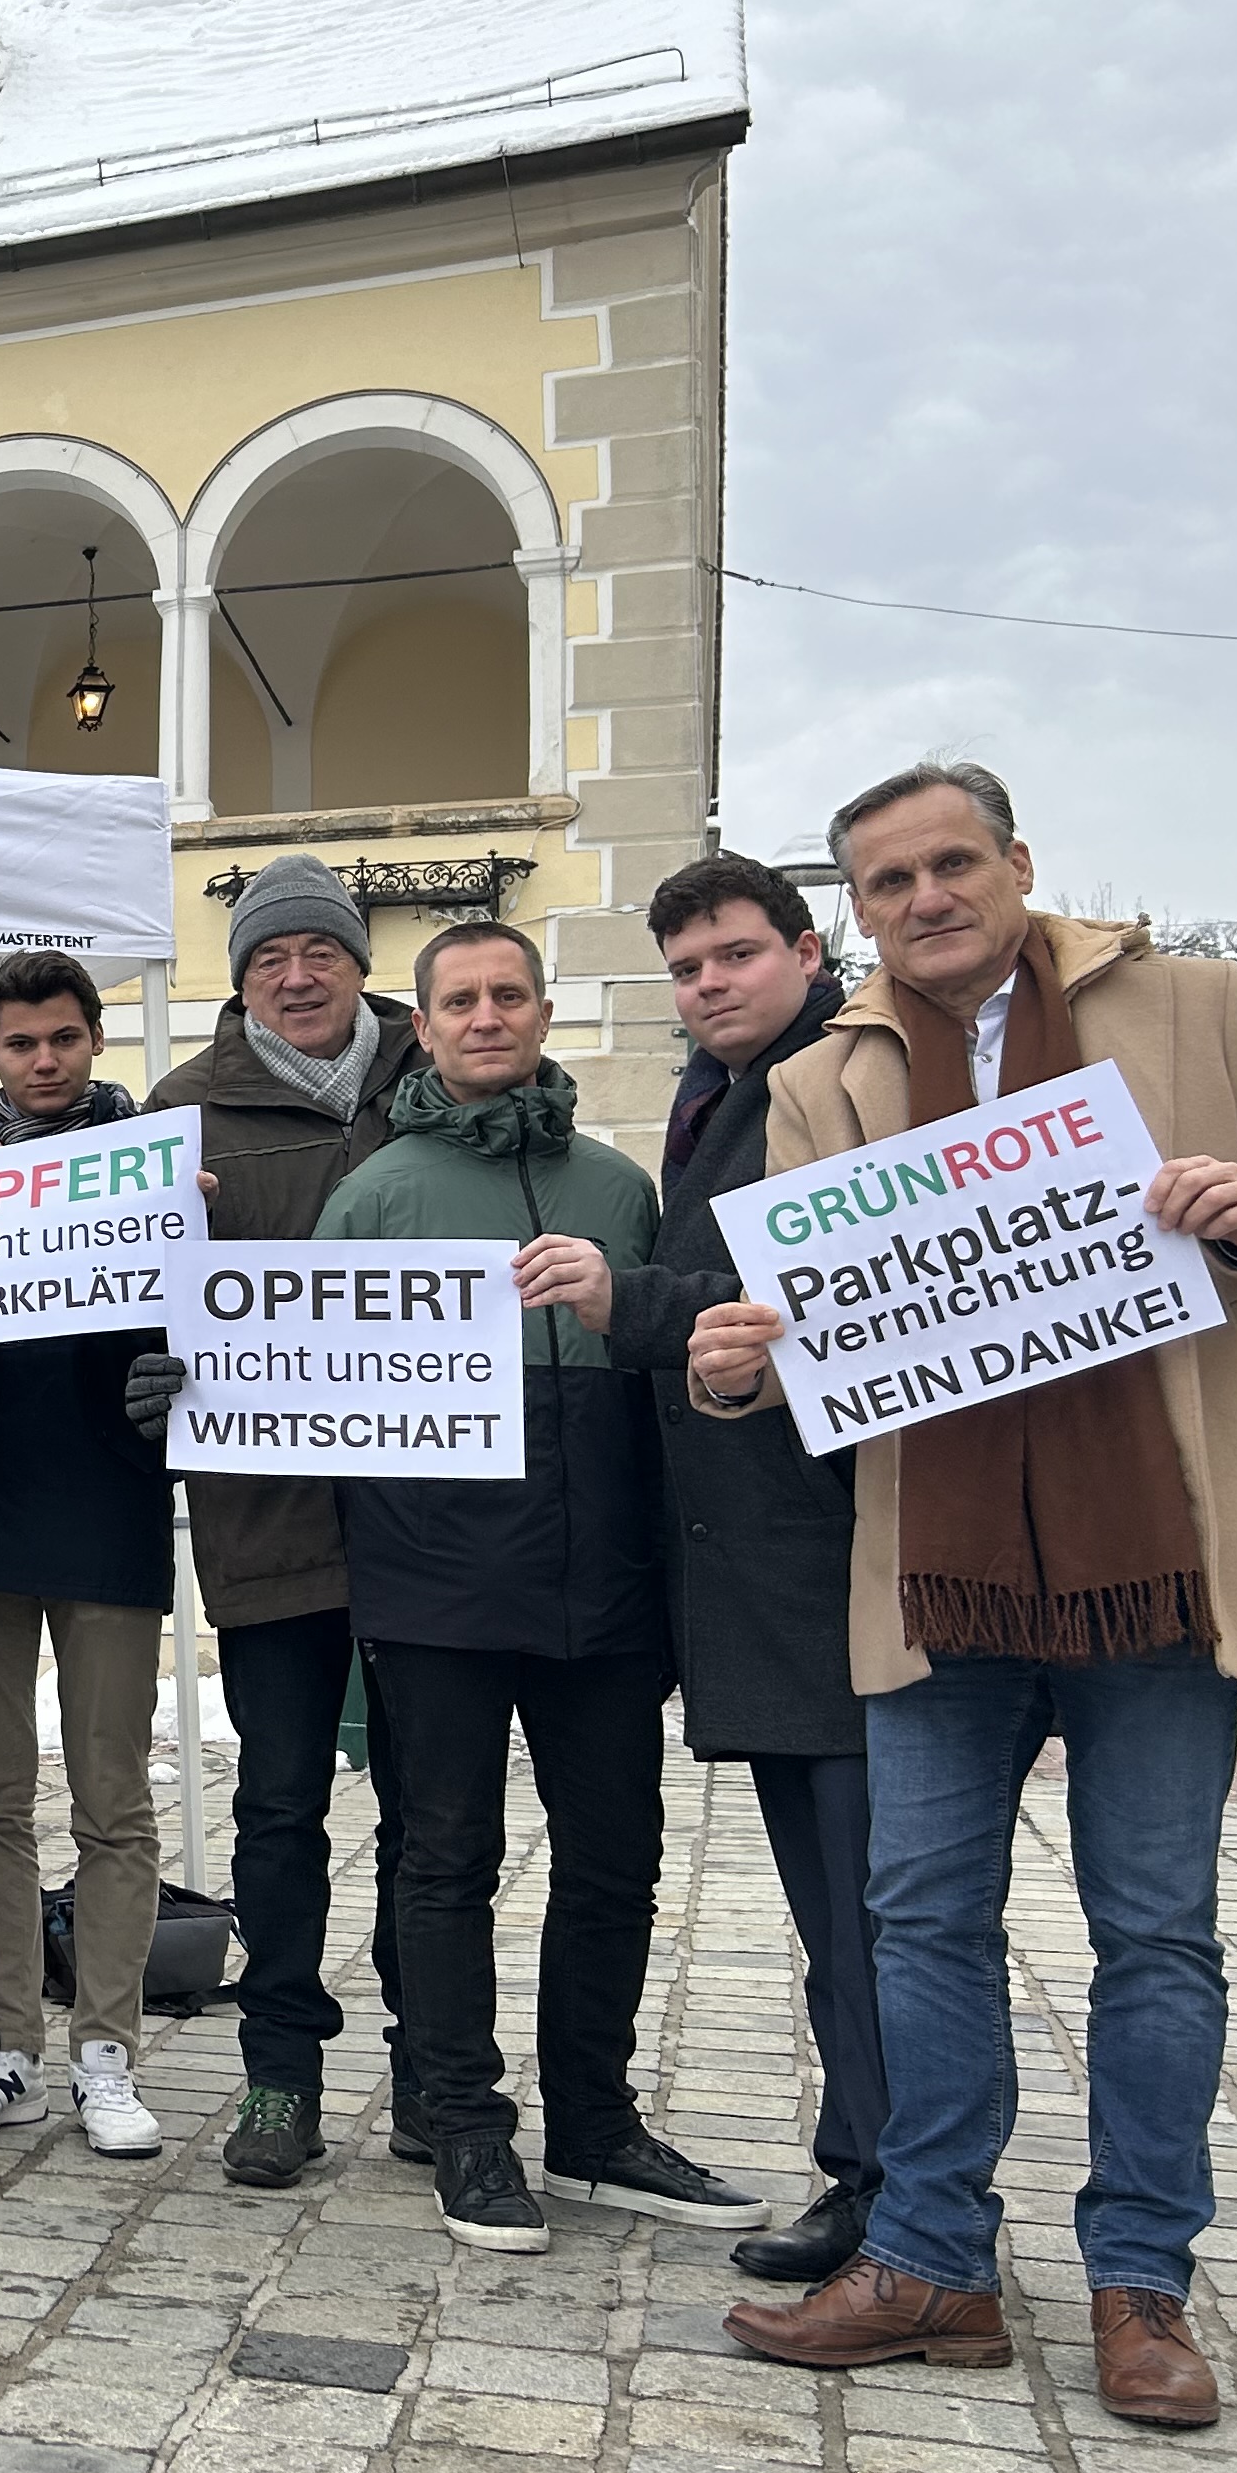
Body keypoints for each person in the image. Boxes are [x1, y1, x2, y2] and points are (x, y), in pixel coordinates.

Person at [704, 764, 1237, 2428]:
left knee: (1154, 1930)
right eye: (887, 879)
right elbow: (805, 1330)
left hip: (1154, 1548)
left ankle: (1141, 2281)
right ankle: (932, 2258)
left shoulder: (1194, 1003)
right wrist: (738, 1364)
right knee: (919, 1920)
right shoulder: (821, 1077)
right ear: (852, 908)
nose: (925, 896)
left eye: (952, 862)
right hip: (938, 1565)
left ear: (1016, 864)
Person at [310, 920, 751, 2257]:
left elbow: (673, 1367)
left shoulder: (620, 1189)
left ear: (545, 1014)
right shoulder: (375, 1193)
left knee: (616, 1860)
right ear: (426, 1026)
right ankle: (463, 2123)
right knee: (444, 1860)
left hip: (602, 1582)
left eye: (509, 995)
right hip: (432, 1583)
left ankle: (599, 2124)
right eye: (461, 1001)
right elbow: (308, 1388)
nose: (487, 1017)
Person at [599, 857, 882, 2284]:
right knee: (840, 1902)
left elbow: (839, 1288)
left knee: (868, 1906)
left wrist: (626, 1302)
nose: (709, 983)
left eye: (732, 956)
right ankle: (883, 2170)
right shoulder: (720, 1097)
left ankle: (890, 2187)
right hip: (755, 1570)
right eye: (687, 966)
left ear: (803, 947)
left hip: (834, 1563)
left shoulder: (839, 1082)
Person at [130, 852, 422, 2190]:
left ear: (359, 961)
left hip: (437, 1519)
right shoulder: (183, 1109)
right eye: (266, 961)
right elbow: (141, 1300)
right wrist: (154, 1360)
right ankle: (279, 2076)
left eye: (317, 953)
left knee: (439, 1814)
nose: (295, 978)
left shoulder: (442, 1079)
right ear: (240, 978)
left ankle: (439, 2068)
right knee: (277, 1809)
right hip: (271, 1520)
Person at [0, 952, 174, 2159]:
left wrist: (186, 1349)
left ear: (94, 1041)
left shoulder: (151, 1172)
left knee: (116, 1798)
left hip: (110, 1504)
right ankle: (4, 2040)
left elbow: (208, 1327)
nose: (46, 1061)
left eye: (65, 1039)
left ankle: (106, 2050)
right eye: (23, 1045)